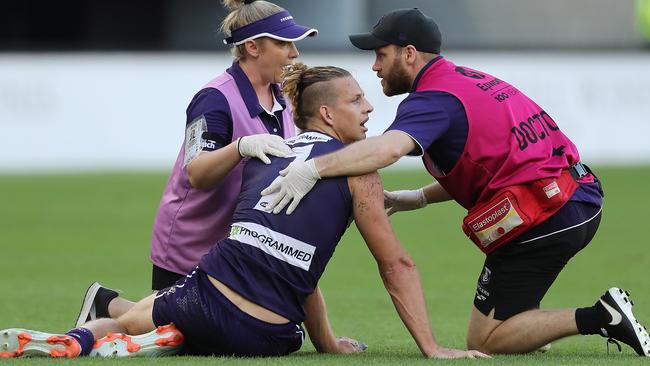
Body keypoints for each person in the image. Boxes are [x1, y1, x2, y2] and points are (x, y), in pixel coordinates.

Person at [0, 64, 488, 359]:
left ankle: (83, 338)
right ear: (326, 114)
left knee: (137, 317)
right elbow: (393, 263)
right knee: (252, 317)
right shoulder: (360, 170)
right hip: (267, 332)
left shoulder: (269, 151)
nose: (367, 108)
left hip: (205, 288)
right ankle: (152, 335)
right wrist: (431, 348)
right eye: (356, 100)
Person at [260, 8, 650, 357]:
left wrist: (312, 168)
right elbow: (494, 163)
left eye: (381, 54)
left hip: (547, 217)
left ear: (408, 53)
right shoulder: (470, 80)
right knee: (509, 316)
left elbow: (389, 149)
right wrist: (420, 197)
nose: (376, 66)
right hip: (578, 198)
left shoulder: (432, 99)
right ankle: (527, 328)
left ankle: (601, 316)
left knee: (485, 341)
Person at [73, 0, 320, 327]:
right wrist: (241, 147)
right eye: (283, 43)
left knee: (225, 329)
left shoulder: (282, 98)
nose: (294, 53)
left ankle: (107, 305)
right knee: (184, 334)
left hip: (237, 246)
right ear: (252, 47)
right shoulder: (215, 98)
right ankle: (110, 308)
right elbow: (198, 172)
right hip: (191, 244)